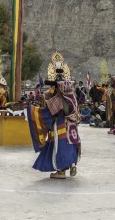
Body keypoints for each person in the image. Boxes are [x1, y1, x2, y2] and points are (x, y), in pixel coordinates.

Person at [26, 51, 81, 179]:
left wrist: (31, 111)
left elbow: (46, 113)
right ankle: (72, 163)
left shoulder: (58, 99)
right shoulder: (72, 97)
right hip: (72, 126)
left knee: (61, 146)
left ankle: (61, 171)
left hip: (60, 124)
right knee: (71, 145)